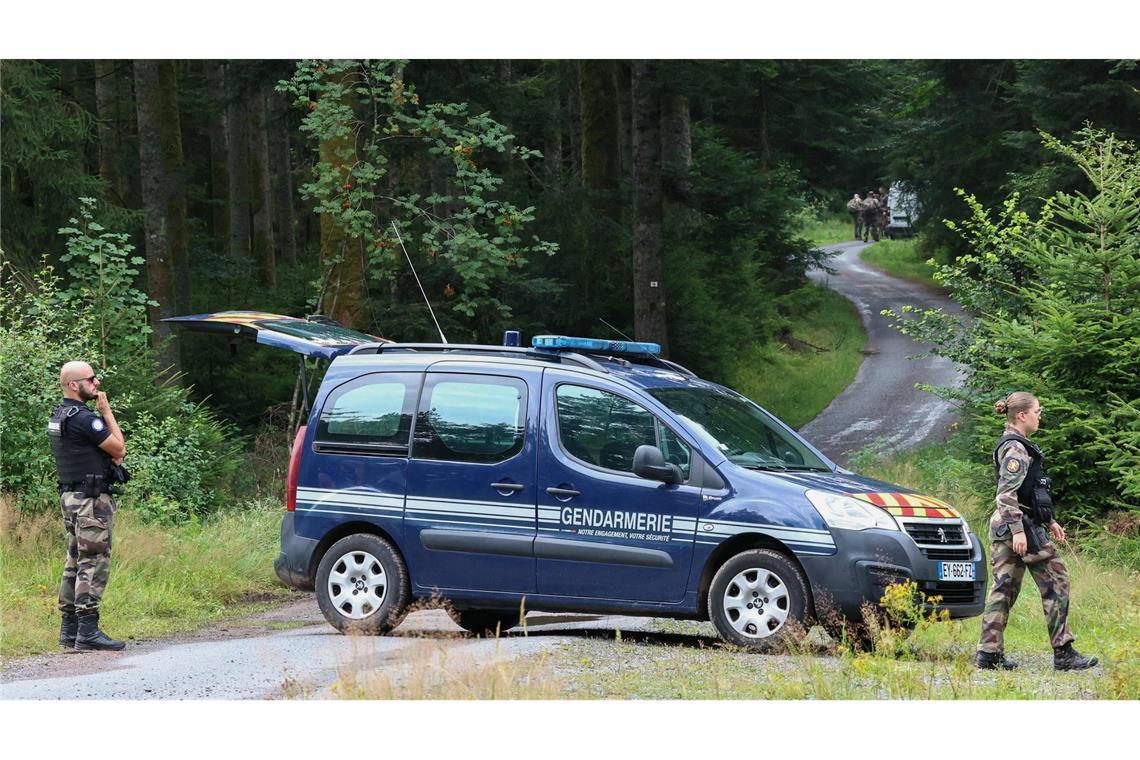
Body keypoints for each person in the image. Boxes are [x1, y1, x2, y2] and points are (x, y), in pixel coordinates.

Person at [975, 391, 1097, 671]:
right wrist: (1019, 531)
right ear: (1022, 415)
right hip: (1019, 528)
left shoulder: (1020, 445)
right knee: (1057, 579)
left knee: (1004, 588)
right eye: (1037, 412)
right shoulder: (1016, 449)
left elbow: (1031, 490)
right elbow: (1005, 494)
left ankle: (989, 653)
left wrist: (1050, 520)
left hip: (1010, 525)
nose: (1039, 417)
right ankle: (1064, 653)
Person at [48, 361, 128, 651]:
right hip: (90, 502)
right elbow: (119, 450)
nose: (96, 383)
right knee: (93, 561)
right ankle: (88, 631)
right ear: (73, 385)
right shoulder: (85, 419)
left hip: (70, 498)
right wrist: (106, 412)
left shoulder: (59, 416)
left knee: (74, 560)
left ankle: (69, 630)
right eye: (91, 379)